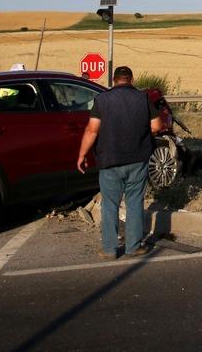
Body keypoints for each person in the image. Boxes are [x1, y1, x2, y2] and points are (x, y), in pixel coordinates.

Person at [76, 66, 162, 259]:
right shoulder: (143, 98)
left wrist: (82, 155)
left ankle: (110, 249)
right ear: (131, 79)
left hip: (109, 160)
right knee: (134, 203)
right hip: (137, 159)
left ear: (114, 80)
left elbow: (92, 130)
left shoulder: (102, 100)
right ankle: (133, 247)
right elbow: (156, 125)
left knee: (110, 205)